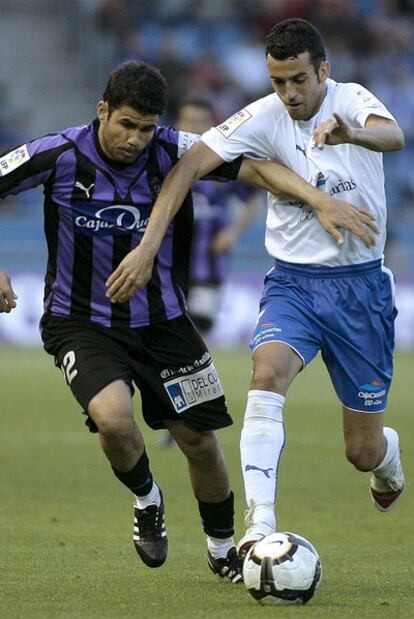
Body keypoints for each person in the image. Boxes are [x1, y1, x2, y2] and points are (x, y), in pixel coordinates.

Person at [0, 60, 376, 581]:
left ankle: (222, 546)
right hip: (80, 321)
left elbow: (257, 168)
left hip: (165, 323)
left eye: (146, 128)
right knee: (113, 418)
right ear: (102, 110)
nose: (135, 140)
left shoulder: (174, 150)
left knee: (199, 442)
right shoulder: (58, 154)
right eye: (126, 125)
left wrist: (318, 199)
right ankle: (146, 497)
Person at [103, 19, 406, 559]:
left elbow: (394, 134)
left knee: (362, 451)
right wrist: (148, 246)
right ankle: (259, 524)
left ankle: (388, 458)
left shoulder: (351, 98)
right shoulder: (264, 116)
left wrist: (350, 133)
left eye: (298, 81)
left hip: (360, 289)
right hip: (292, 284)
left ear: (323, 72)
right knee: (265, 375)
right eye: (278, 81)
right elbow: (188, 166)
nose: (288, 94)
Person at [175, 98, 260, 335]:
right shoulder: (165, 159)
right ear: (178, 122)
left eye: (200, 122)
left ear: (211, 126)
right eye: (188, 121)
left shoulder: (223, 161)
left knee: (199, 327)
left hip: (209, 261)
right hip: (169, 261)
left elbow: (252, 202)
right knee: (171, 326)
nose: (193, 127)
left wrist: (232, 233)